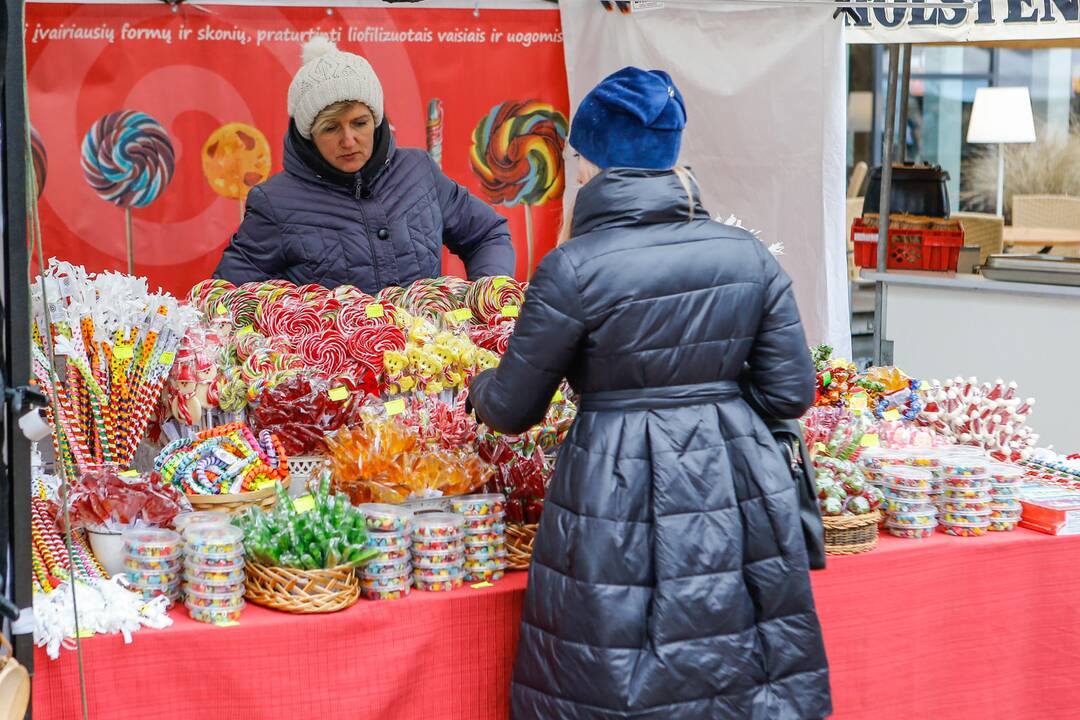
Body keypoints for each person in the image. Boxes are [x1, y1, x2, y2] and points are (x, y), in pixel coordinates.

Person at [467, 67, 832, 719]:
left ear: (598, 165)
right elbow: (791, 390)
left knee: (618, 666)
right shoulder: (747, 255)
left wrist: (477, 385)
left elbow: (513, 409)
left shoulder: (574, 269)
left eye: (578, 158)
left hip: (614, 486)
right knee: (731, 667)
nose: (575, 174)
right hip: (738, 489)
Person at [214, 37, 514, 292]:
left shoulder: (418, 172)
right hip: (328, 360)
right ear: (308, 135)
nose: (349, 140)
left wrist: (487, 296)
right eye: (331, 128)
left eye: (360, 123)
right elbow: (227, 296)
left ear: (377, 120)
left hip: (427, 356)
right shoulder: (275, 203)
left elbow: (487, 234)